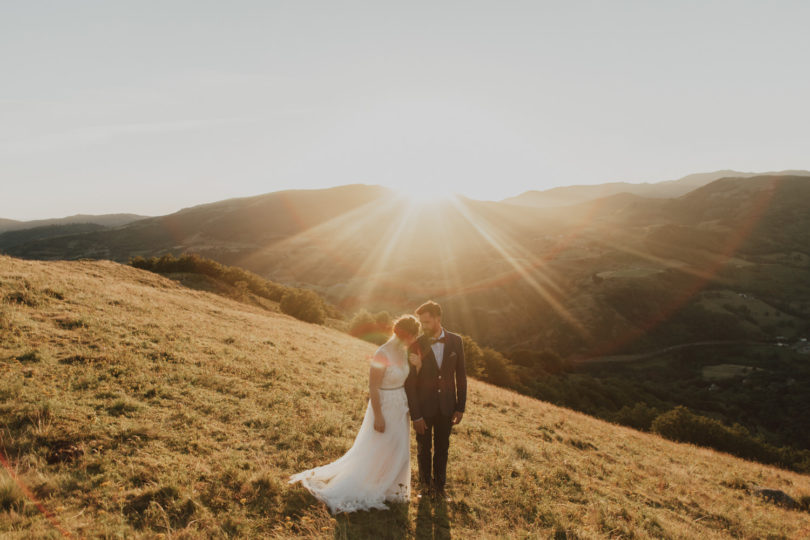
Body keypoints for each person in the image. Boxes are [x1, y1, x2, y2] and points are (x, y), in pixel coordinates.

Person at [289, 315, 421, 514]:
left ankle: (392, 489)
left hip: (400, 407)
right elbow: (373, 386)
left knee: (398, 449)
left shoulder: (405, 353)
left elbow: (409, 380)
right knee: (378, 447)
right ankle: (370, 484)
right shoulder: (382, 352)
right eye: (414, 335)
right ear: (407, 334)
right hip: (384, 405)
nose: (415, 339)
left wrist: (418, 366)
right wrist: (378, 416)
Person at [404, 300, 466, 502]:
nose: (424, 326)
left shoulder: (456, 342)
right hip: (424, 407)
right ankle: (425, 488)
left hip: (447, 407)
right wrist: (416, 415)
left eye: (427, 322)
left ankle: (440, 489)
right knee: (423, 449)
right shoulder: (416, 344)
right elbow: (410, 384)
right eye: (422, 322)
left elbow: (461, 376)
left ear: (438, 319)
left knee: (442, 448)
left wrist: (460, 407)